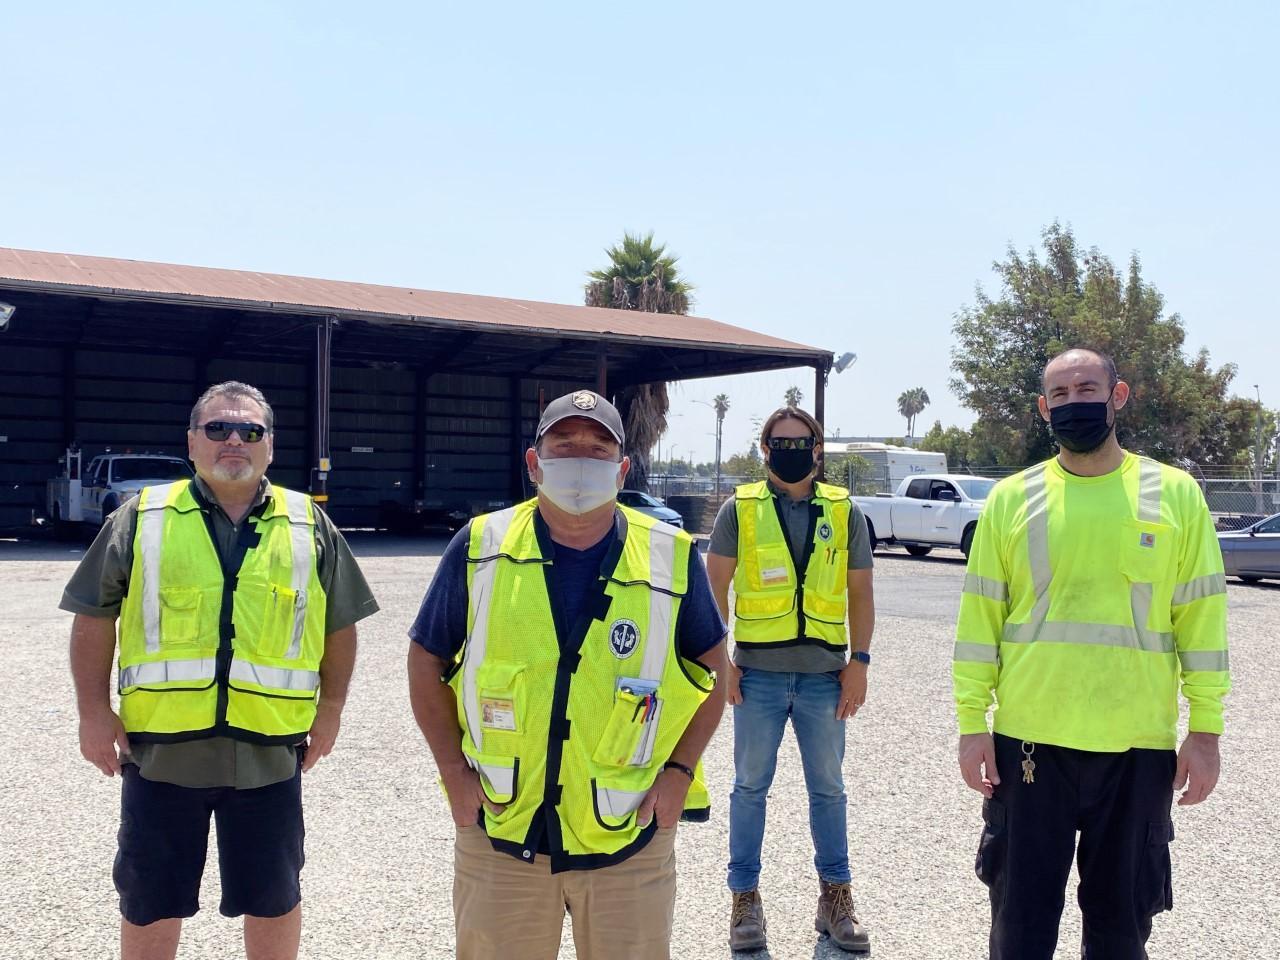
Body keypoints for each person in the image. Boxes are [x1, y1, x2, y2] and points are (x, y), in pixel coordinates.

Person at [407, 389, 728, 960]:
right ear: (534, 462)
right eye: (564, 445)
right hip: (500, 828)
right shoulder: (479, 547)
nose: (581, 457)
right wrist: (452, 770)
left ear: (623, 468)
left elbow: (713, 669)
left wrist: (679, 771)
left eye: (598, 448)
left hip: (628, 835)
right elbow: (426, 658)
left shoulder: (672, 555)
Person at [63, 380, 378, 960]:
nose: (234, 440)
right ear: (192, 442)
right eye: (218, 428)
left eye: (249, 430)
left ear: (270, 447)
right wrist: (91, 711)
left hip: (270, 755)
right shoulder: (142, 517)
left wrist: (331, 710)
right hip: (162, 755)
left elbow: (340, 624)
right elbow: (93, 617)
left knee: (274, 897)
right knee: (150, 896)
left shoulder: (310, 523)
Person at [954, 347, 1230, 959]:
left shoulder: (1176, 496)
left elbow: (1203, 623)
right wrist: (973, 727)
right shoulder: (1010, 500)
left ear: (1118, 396)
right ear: (1043, 407)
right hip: (1029, 747)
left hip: (1137, 751)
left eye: (1087, 388)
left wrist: (1205, 732)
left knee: (1121, 932)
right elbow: (979, 623)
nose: (1074, 402)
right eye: (1060, 394)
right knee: (1020, 932)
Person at [705, 405, 875, 954]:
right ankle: (745, 901)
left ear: (818, 450)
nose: (792, 450)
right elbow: (715, 591)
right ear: (765, 450)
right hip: (758, 678)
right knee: (749, 789)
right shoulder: (740, 510)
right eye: (782, 442)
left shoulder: (844, 512)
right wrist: (722, 663)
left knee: (828, 790)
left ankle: (836, 898)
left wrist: (861, 662)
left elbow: (861, 593)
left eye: (802, 443)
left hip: (826, 677)